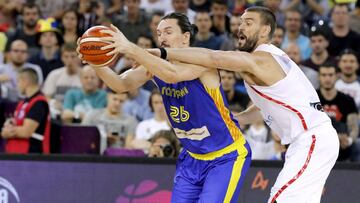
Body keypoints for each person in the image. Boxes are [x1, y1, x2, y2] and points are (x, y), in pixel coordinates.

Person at [113, 6, 339, 203]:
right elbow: (262, 107)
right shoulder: (262, 63)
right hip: (307, 142)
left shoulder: (261, 59)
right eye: (240, 22)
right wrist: (236, 118)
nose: (241, 27)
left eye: (248, 23)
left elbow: (213, 58)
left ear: (265, 31)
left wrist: (147, 51)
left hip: (311, 138)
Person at [80, 12, 251, 203]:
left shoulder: (202, 62)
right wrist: (94, 61)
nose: (162, 38)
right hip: (192, 157)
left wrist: (131, 48)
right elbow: (120, 84)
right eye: (159, 33)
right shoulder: (155, 66)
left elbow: (171, 74)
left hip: (225, 155)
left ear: (186, 37)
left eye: (168, 32)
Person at [1, 68, 50, 154]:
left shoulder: (39, 103)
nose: (17, 86)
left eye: (18, 81)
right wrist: (9, 125)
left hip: (32, 155)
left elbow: (26, 131)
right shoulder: (22, 103)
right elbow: (17, 123)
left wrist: (7, 131)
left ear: (25, 81)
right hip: (15, 152)